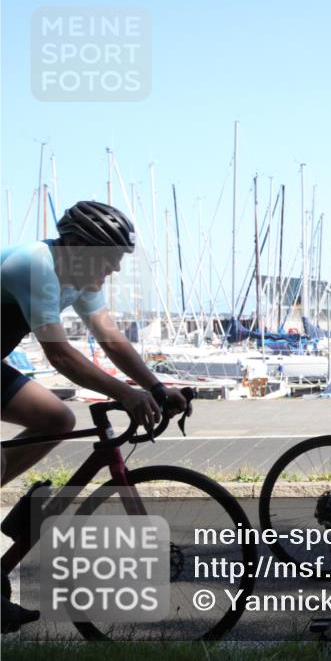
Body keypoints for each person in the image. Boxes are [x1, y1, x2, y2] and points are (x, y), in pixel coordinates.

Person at [1, 200, 190, 632]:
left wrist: (156, 389)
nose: (114, 270)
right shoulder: (35, 265)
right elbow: (60, 353)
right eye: (109, 260)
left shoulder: (82, 277)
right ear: (77, 248)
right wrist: (124, 392)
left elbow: (111, 340)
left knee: (59, 420)